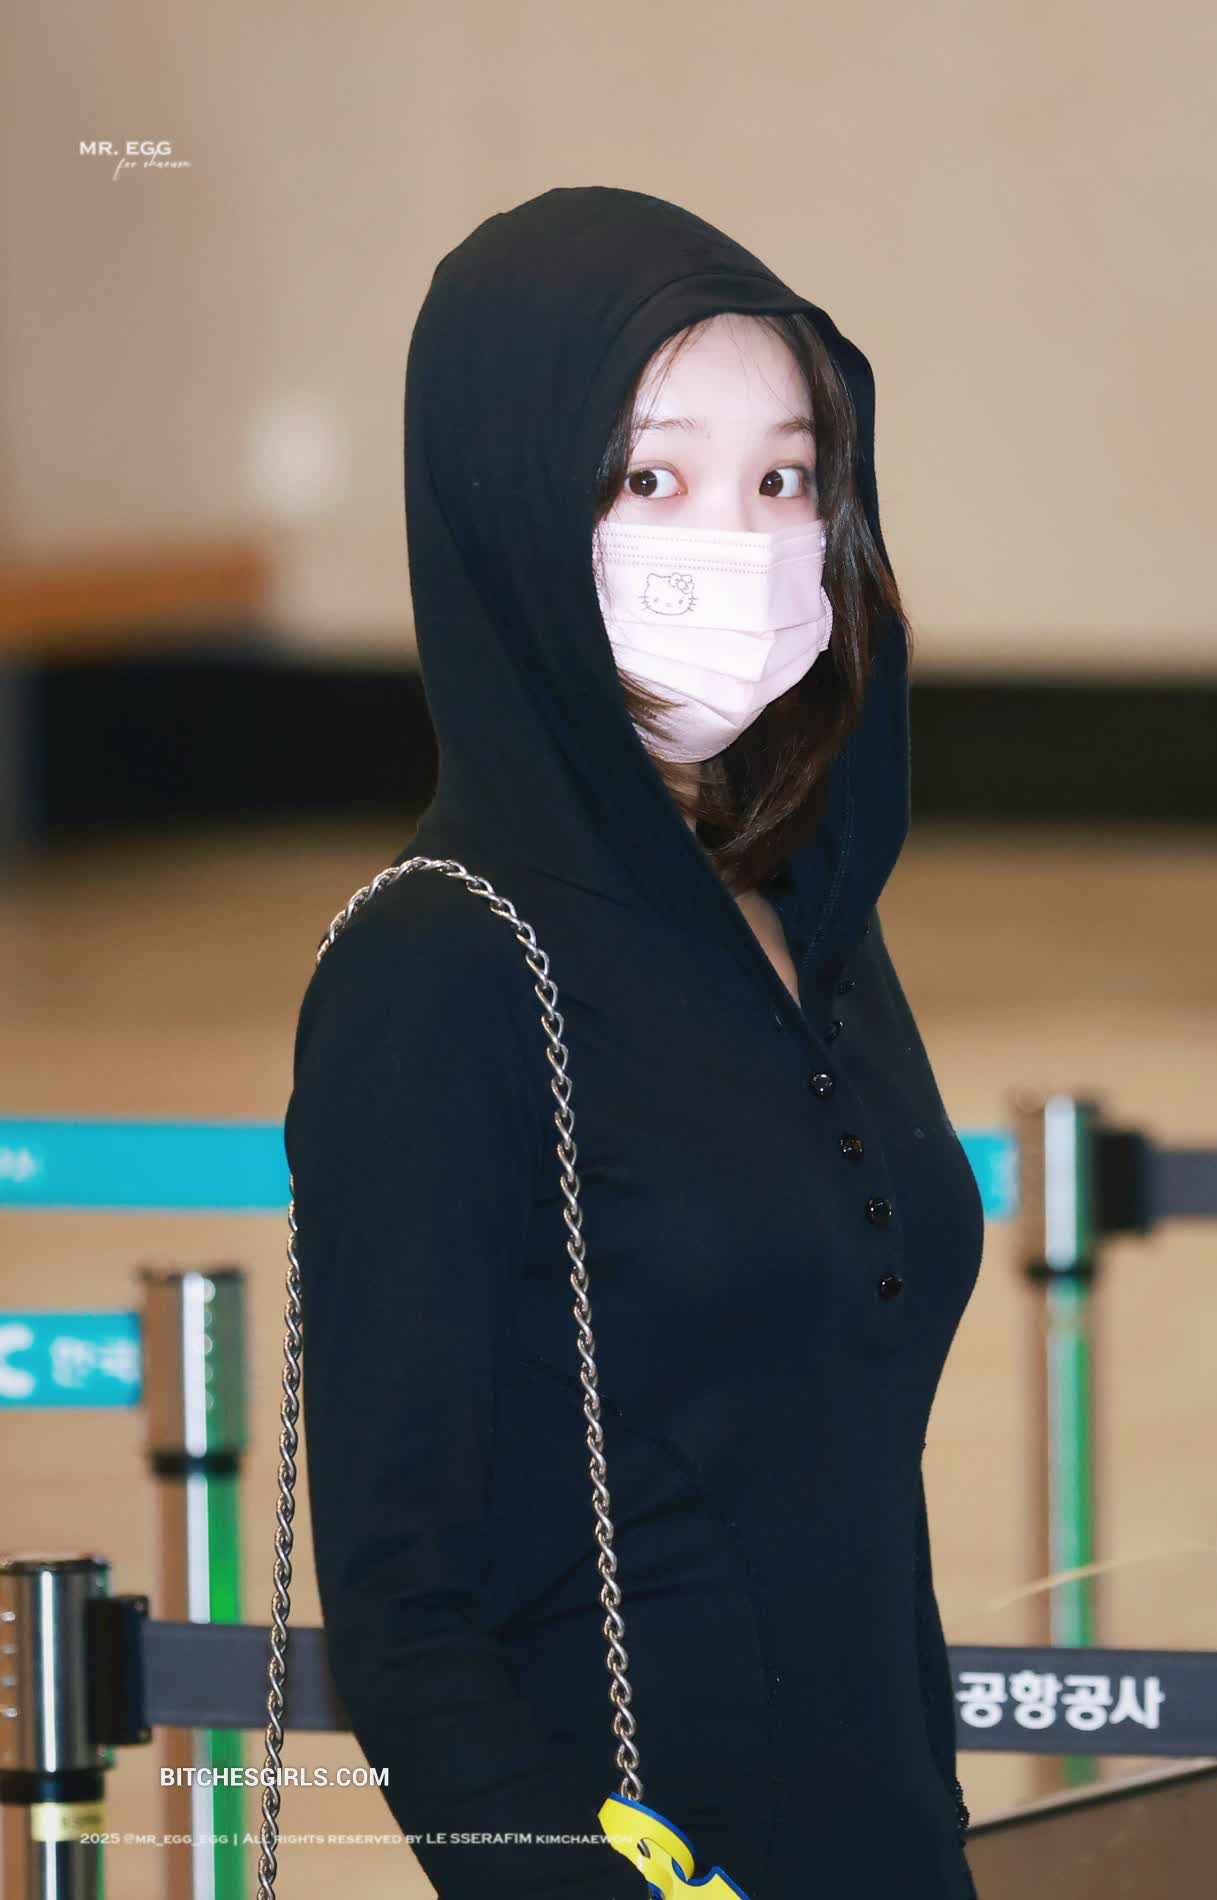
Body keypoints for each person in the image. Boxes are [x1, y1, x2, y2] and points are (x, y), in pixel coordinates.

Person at [284, 185, 984, 1900]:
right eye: (654, 480)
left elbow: (846, 1472)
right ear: (512, 500)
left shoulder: (807, 916)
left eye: (785, 479)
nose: (741, 538)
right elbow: (406, 1610)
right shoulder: (440, 965)